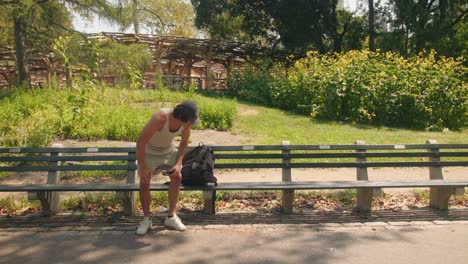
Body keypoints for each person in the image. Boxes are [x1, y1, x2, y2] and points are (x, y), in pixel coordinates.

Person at [135, 100, 200, 235]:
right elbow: (141, 141)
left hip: (168, 150)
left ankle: (171, 216)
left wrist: (178, 164)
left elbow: (184, 143)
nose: (190, 124)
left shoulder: (185, 124)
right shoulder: (160, 117)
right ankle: (146, 219)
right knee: (145, 180)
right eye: (190, 121)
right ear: (183, 118)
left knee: (177, 176)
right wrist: (142, 167)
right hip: (149, 151)